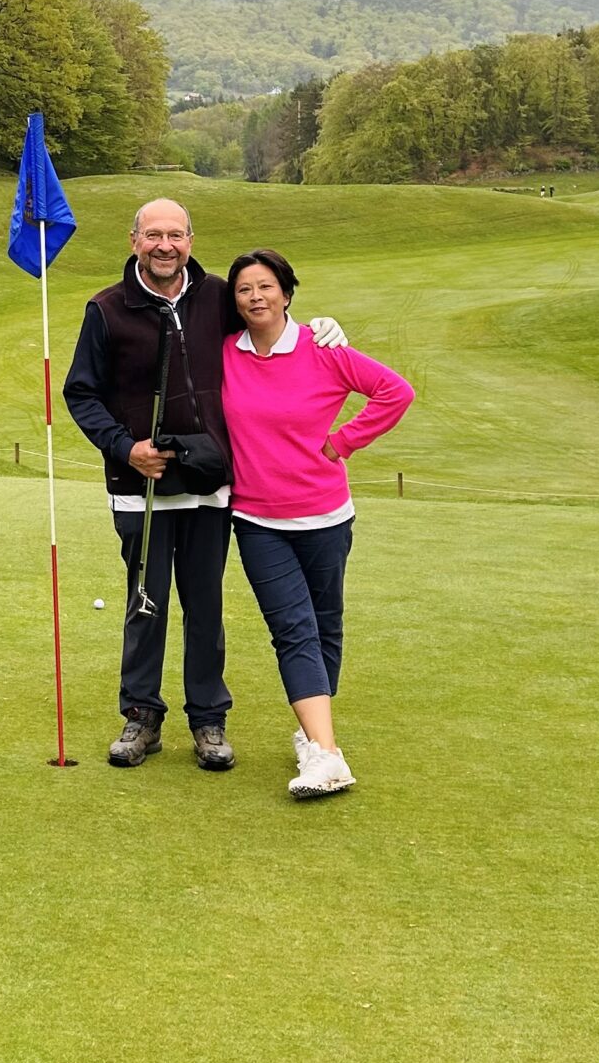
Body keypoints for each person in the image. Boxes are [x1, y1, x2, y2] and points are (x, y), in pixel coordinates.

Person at [63, 197, 347, 773]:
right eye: (153, 235)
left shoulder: (217, 295)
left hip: (210, 485)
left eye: (175, 235)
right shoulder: (107, 309)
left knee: (206, 605)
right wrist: (125, 447)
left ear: (190, 240)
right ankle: (142, 715)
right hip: (141, 486)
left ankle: (208, 718)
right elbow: (81, 393)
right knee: (145, 603)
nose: (164, 245)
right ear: (134, 240)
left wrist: (320, 327)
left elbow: (269, 323)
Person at [222, 248, 413, 799]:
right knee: (293, 628)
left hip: (326, 515)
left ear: (286, 293)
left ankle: (315, 738)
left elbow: (395, 392)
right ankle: (327, 756)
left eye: (266, 286)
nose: (255, 297)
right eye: (244, 289)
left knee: (325, 624)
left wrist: (343, 441)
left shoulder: (323, 348)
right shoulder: (225, 353)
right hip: (257, 518)